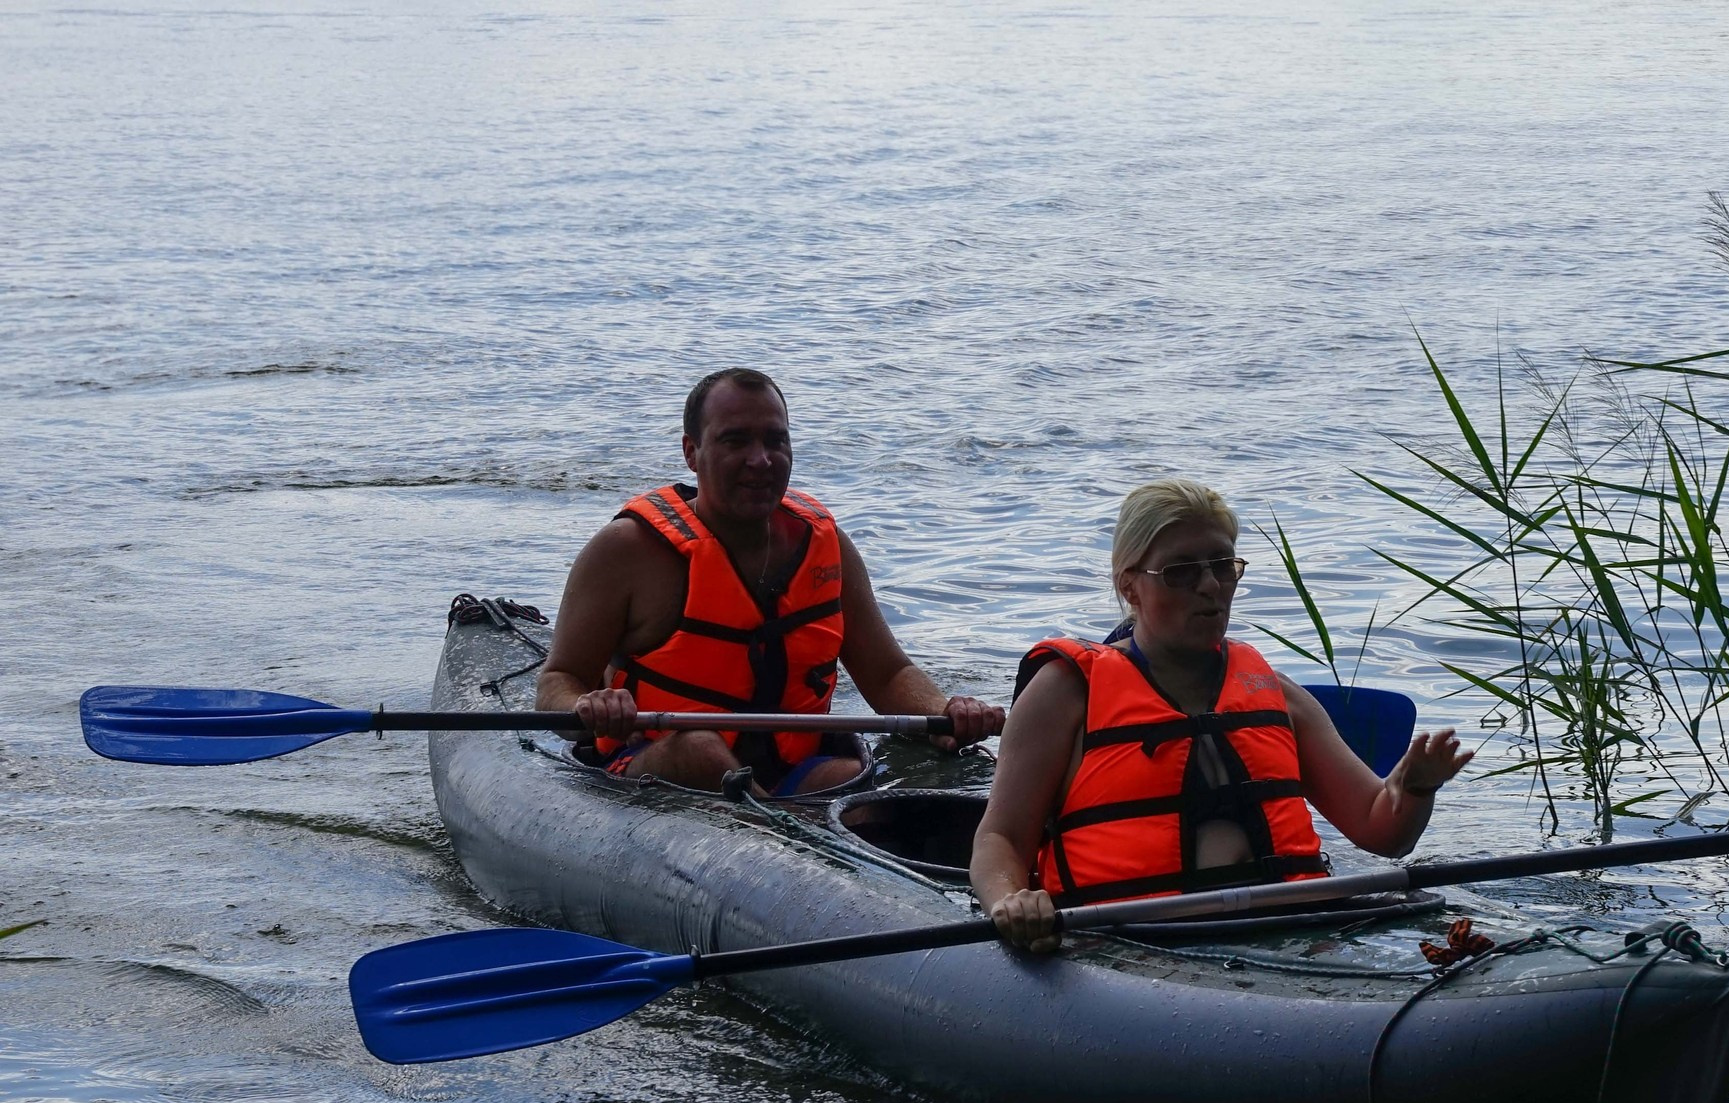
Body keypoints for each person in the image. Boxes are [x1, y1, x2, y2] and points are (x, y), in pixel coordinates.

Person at [972, 479, 1472, 952]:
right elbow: (1001, 838)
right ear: (1130, 587)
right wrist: (1010, 901)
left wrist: (1414, 789)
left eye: (1223, 565)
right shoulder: (1064, 693)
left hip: (1292, 934)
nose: (1210, 584)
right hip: (1127, 942)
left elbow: (1383, 833)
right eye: (1181, 571)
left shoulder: (1276, 694)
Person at [537, 368, 1003, 794]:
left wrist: (944, 710)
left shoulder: (825, 543)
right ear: (691, 452)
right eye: (735, 441)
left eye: (775, 441)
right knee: (701, 751)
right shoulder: (627, 550)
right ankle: (782, 828)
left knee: (847, 772)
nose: (760, 460)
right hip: (655, 760)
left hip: (790, 770)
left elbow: (887, 675)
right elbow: (558, 681)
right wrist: (590, 708)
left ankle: (786, 825)